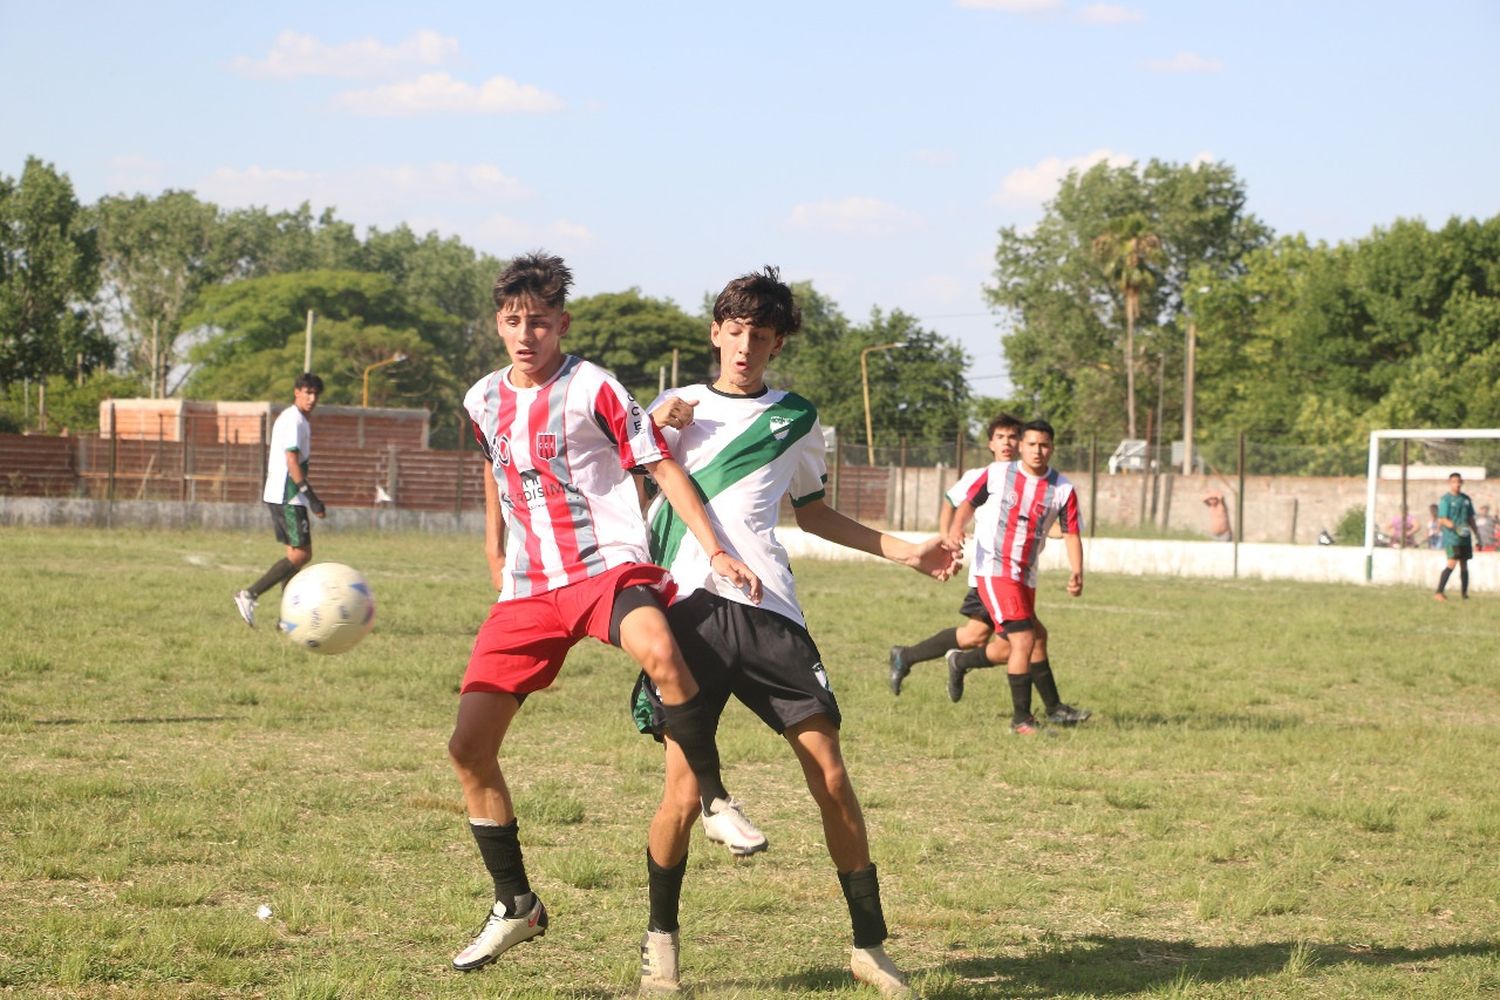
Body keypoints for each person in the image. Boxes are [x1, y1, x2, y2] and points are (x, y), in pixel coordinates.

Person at [630, 267, 956, 998]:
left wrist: (904, 549)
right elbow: (627, 492)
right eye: (735, 331)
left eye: (761, 336)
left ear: (776, 345)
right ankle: (661, 950)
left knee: (831, 776)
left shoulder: (799, 419)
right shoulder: (668, 408)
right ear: (716, 333)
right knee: (681, 796)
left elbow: (813, 512)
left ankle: (869, 947)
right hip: (686, 611)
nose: (746, 346)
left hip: (772, 613)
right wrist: (656, 436)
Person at [446, 252, 767, 974]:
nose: (525, 334)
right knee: (468, 748)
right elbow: (497, 471)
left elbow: (661, 465)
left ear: (561, 323)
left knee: (659, 649)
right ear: (497, 324)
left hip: (603, 566)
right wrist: (495, 554)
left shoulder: (593, 388)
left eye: (539, 321)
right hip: (529, 588)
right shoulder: (480, 399)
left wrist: (713, 549)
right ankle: (515, 906)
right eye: (511, 321)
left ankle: (712, 796)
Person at [947, 419, 1085, 734]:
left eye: (1045, 445)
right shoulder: (997, 474)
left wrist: (1077, 571)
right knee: (1022, 639)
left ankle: (1053, 709)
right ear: (1021, 446)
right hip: (995, 569)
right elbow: (968, 502)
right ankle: (1022, 719)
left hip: (1025, 574)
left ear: (1052, 448)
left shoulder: (1063, 489)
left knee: (1033, 638)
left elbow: (1072, 533)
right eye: (1032, 444)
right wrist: (956, 529)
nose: (1038, 451)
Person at [887, 412, 1020, 694]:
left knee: (975, 636)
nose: (1007, 442)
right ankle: (1038, 711)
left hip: (1014, 572)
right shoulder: (982, 476)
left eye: (1013, 437)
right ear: (990, 444)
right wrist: (948, 535)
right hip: (991, 572)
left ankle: (910, 656)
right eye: (1000, 437)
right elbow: (951, 502)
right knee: (1023, 640)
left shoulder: (1028, 479)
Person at [234, 372, 326, 627]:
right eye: (307, 392)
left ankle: (286, 619)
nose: (312, 398)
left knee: (295, 555)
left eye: (315, 394)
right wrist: (312, 497)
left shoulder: (299, 420)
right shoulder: (294, 420)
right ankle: (249, 594)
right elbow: (291, 460)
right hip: (288, 495)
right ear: (296, 392)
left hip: (284, 494)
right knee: (301, 554)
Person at [1433, 473, 1478, 601]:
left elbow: (1470, 518)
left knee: (1464, 564)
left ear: (1461, 482)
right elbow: (1442, 519)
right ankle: (1438, 592)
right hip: (1452, 538)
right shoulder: (1445, 500)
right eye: (1454, 482)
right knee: (1452, 563)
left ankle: (1464, 595)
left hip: (1465, 537)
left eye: (1458, 482)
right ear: (1449, 483)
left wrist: (1477, 534)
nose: (1456, 484)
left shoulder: (1465, 499)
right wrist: (1456, 528)